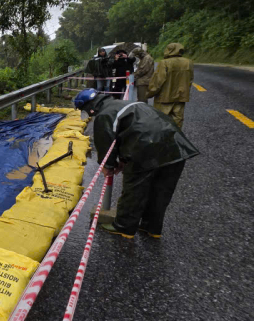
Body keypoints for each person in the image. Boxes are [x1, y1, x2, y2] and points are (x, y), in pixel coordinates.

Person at [74, 88, 199, 238]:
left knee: (134, 191)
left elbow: (106, 144)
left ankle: (124, 227)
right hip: (176, 147)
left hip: (145, 150)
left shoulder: (104, 115)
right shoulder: (129, 104)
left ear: (89, 108)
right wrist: (123, 160)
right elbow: (133, 131)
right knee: (161, 191)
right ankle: (152, 228)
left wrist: (108, 166)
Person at [147, 42, 193, 130]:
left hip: (164, 97)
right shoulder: (188, 62)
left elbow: (158, 81)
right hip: (180, 96)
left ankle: (164, 137)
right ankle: (176, 136)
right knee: (178, 121)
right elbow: (190, 80)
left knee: (162, 121)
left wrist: (149, 93)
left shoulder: (164, 63)